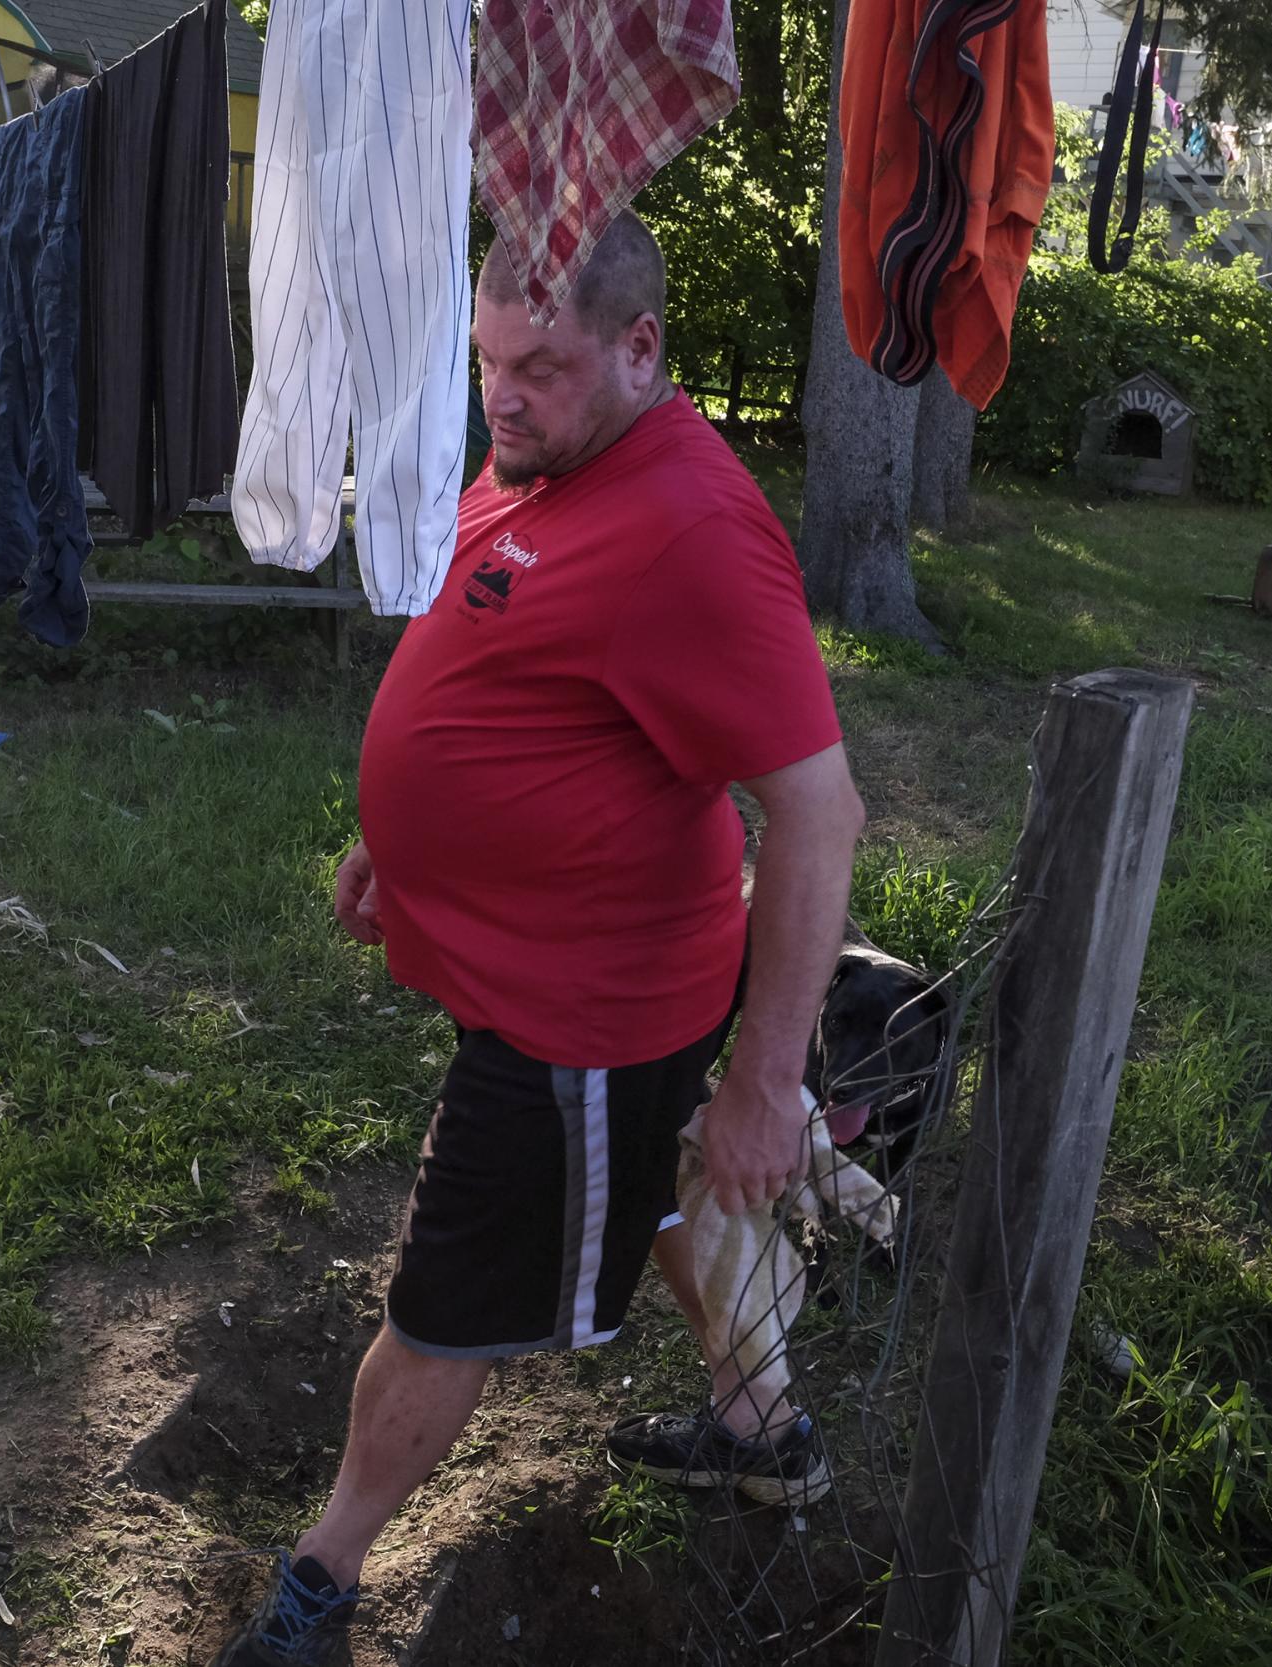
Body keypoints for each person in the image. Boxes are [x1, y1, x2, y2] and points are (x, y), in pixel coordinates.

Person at [215, 211, 865, 1667]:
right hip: (518, 952)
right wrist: (408, 843)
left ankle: (320, 1580)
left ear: (641, 350)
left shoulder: (694, 530)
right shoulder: (551, 455)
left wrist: (766, 1081)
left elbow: (819, 815)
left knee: (450, 1302)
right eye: (487, 360)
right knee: (639, 1199)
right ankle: (765, 1429)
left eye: (542, 367)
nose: (502, 396)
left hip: (584, 1011)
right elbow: (501, 658)